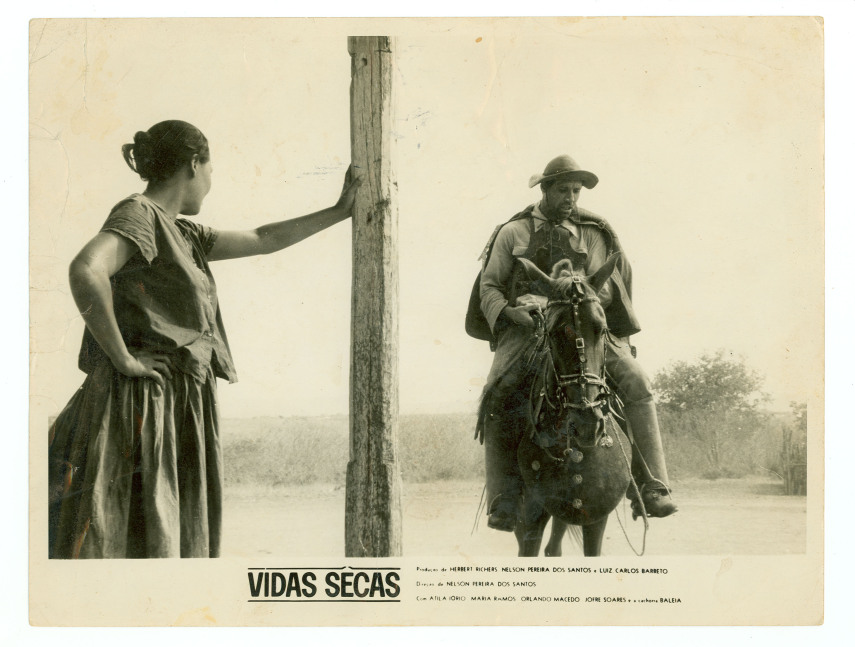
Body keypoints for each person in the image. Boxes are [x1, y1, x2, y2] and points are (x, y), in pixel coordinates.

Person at [48, 120, 361, 558]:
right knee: (124, 540)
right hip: (141, 405)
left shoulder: (185, 233)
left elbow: (262, 238)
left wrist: (337, 211)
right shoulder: (139, 214)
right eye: (211, 171)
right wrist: (123, 358)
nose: (211, 184)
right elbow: (86, 269)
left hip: (175, 405)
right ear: (194, 164)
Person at [477, 154, 677, 532]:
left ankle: (652, 484)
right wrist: (509, 311)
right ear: (545, 189)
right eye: (564, 190)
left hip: (584, 325)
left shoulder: (594, 232)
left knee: (637, 380)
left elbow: (603, 289)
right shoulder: (513, 232)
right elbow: (490, 284)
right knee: (497, 391)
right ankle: (504, 497)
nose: (571, 197)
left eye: (576, 190)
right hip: (525, 326)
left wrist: (568, 303)